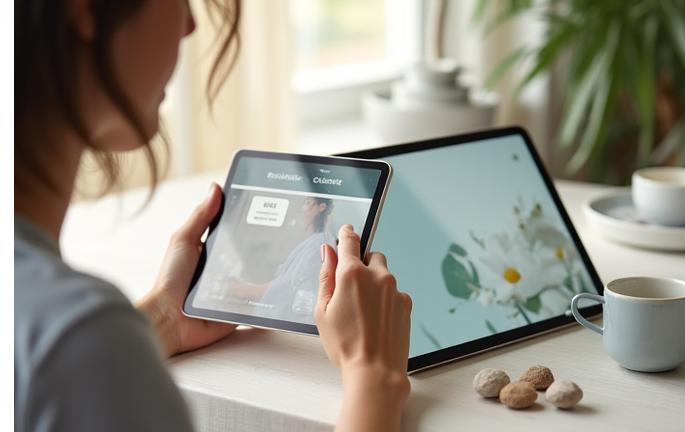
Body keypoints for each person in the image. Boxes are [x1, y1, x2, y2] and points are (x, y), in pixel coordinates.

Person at [14, 1, 413, 431]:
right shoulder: (73, 343)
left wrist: (165, 316)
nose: (189, 25)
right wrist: (374, 377)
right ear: (87, 9)